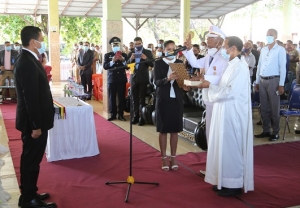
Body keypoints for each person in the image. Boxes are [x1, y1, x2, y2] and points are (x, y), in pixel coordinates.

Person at [199, 36, 254, 196]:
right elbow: (223, 86)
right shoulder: (231, 65)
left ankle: (234, 183)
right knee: (221, 146)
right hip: (223, 111)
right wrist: (209, 86)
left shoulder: (240, 67)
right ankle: (222, 180)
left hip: (233, 114)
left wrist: (210, 87)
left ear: (234, 49)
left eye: (225, 46)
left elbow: (231, 91)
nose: (223, 49)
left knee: (231, 147)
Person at [14, 26, 56, 208]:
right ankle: (29, 199)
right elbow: (31, 97)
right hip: (33, 124)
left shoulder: (30, 58)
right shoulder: (26, 62)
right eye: (41, 38)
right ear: (33, 42)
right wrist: (36, 126)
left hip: (35, 121)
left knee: (31, 159)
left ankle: (30, 192)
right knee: (31, 160)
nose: (42, 41)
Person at [183, 25, 228, 175]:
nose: (207, 40)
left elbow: (222, 78)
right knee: (210, 134)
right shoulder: (208, 56)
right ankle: (211, 167)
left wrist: (203, 78)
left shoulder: (224, 57)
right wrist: (188, 49)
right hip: (208, 99)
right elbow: (196, 63)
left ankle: (219, 168)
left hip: (219, 101)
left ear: (220, 41)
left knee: (217, 135)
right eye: (208, 38)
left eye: (211, 38)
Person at [154, 40, 189, 171]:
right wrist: (167, 79)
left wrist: (186, 87)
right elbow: (156, 82)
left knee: (175, 130)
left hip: (177, 100)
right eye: (168, 49)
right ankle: (163, 158)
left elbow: (184, 82)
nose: (171, 51)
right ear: (163, 50)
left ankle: (173, 158)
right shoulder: (158, 63)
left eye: (173, 49)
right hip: (163, 99)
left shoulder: (179, 63)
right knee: (163, 130)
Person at [254, 29, 286, 141]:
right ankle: (266, 130)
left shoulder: (280, 50)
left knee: (274, 107)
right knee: (264, 107)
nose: (268, 37)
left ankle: (275, 132)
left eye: (270, 35)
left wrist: (281, 84)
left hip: (274, 80)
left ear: (276, 36)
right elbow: (259, 66)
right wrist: (257, 82)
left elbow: (283, 67)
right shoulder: (263, 49)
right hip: (262, 80)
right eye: (267, 35)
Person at [127, 37, 154, 126]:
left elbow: (152, 64)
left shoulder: (147, 52)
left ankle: (142, 118)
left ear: (142, 43)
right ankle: (135, 116)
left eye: (139, 44)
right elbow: (127, 66)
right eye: (136, 44)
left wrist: (146, 58)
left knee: (141, 99)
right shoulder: (131, 52)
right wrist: (131, 59)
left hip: (143, 78)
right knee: (134, 98)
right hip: (133, 78)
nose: (137, 45)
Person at [103, 37, 128, 121]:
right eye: (114, 45)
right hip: (112, 79)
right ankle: (113, 114)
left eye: (117, 44)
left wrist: (123, 60)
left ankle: (121, 114)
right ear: (111, 46)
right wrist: (112, 61)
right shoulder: (108, 55)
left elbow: (128, 66)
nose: (116, 46)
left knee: (121, 97)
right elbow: (105, 66)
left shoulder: (124, 55)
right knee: (112, 97)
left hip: (121, 79)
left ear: (120, 45)